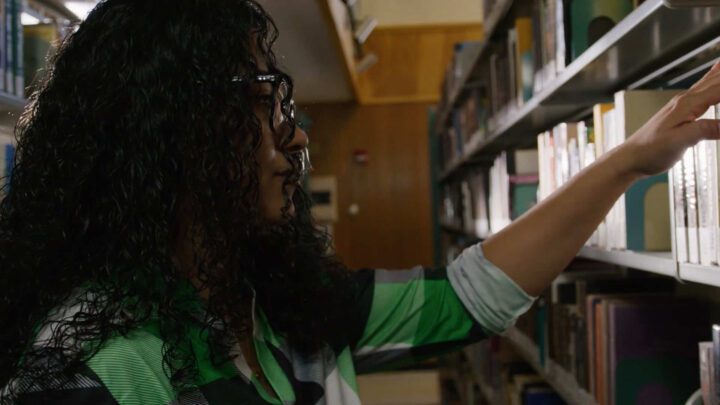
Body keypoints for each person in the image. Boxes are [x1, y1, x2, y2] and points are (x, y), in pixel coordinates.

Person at [0, 0, 718, 404]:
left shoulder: (278, 304)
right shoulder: (91, 368)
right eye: (262, 98)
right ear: (175, 135)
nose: (294, 132)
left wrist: (629, 158)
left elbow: (474, 297)